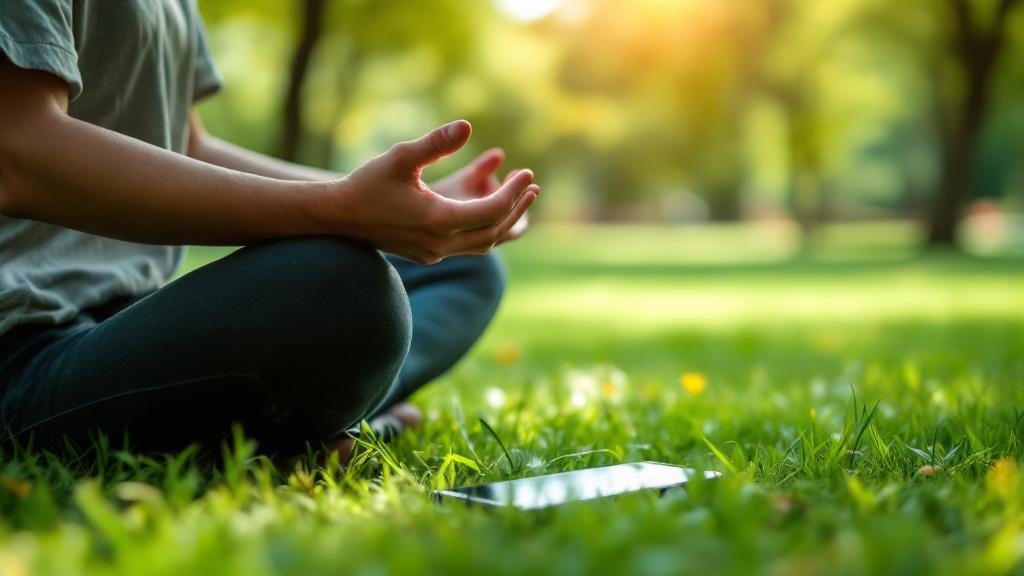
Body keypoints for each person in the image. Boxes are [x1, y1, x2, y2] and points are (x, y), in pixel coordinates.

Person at [0, 1, 538, 459]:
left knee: (465, 270)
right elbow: (20, 153)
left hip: (124, 320)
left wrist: (407, 200)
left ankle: (330, 420)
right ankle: (342, 424)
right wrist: (340, 209)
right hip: (19, 348)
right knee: (339, 285)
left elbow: (186, 145)